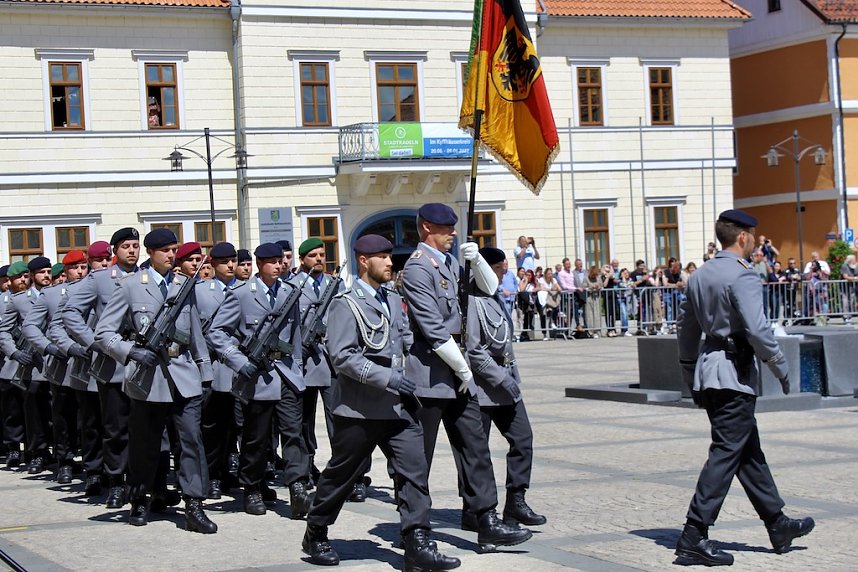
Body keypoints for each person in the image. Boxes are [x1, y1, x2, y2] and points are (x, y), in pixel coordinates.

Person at [302, 234, 461, 571]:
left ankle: (417, 540)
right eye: (383, 257)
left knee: (414, 471)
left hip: (399, 406)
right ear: (364, 260)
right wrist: (388, 377)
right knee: (341, 476)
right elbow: (342, 357)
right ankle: (316, 530)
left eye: (391, 256)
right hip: (360, 410)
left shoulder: (391, 298)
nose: (391, 263)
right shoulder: (346, 303)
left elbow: (402, 341)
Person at [675, 209, 814, 566]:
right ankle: (694, 533)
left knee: (746, 452)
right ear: (742, 237)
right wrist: (781, 368)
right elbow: (757, 329)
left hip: (710, 372)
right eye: (753, 234)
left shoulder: (700, 275)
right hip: (733, 375)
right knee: (726, 452)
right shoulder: (743, 276)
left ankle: (777, 523)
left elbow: (687, 330)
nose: (754, 240)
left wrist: (690, 369)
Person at [401, 203, 531, 551]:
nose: (454, 233)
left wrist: (476, 262)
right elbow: (432, 328)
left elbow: (488, 289)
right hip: (429, 377)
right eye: (446, 228)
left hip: (458, 376)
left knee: (475, 447)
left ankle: (485, 518)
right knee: (418, 458)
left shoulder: (449, 263)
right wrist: (462, 368)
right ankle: (415, 528)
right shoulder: (417, 269)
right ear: (427, 227)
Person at [95, 228, 216, 533]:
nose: (171, 255)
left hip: (184, 376)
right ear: (151, 253)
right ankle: (139, 499)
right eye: (165, 250)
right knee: (145, 445)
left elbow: (196, 335)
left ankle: (194, 505)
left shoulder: (183, 285)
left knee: (191, 442)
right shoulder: (130, 286)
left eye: (174, 249)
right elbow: (104, 333)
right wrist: (131, 352)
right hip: (147, 380)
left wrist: (205, 373)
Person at [207, 243, 304, 517]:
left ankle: (297, 485)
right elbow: (217, 332)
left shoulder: (289, 293)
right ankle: (252, 487)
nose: (278, 265)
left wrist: (297, 368)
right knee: (256, 437)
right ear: (260, 264)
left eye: (280, 261)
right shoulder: (241, 295)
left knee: (293, 432)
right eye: (272, 261)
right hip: (256, 375)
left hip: (285, 373)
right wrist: (238, 361)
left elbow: (295, 334)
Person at [465, 247, 547, 527]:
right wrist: (501, 378)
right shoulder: (471, 301)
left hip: (507, 384)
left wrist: (509, 379)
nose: (504, 273)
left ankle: (516, 500)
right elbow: (473, 350)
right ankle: (475, 510)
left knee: (523, 439)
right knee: (477, 454)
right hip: (482, 389)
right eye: (500, 268)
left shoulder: (495, 298)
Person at [63, 227, 141, 509]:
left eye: (135, 245)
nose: (132, 251)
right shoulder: (99, 280)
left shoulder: (147, 278)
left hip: (144, 366)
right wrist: (93, 342)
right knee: (115, 429)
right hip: (113, 365)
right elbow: (70, 313)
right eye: (126, 246)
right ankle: (116, 483)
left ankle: (142, 484)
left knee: (145, 429)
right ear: (114, 251)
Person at [288, 238, 349, 506]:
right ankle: (306, 469)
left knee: (339, 419)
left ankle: (345, 474)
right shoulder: (292, 286)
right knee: (303, 423)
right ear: (302, 260)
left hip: (332, 361)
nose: (319, 259)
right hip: (305, 363)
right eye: (313, 255)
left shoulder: (335, 284)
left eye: (322, 254)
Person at [21, 250, 90, 484]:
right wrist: (47, 347)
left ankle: (93, 465)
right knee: (63, 416)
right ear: (66, 270)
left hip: (91, 364)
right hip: (63, 365)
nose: (80, 272)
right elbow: (30, 326)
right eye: (74, 268)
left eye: (83, 266)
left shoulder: (97, 289)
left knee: (90, 419)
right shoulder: (51, 295)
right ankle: (66, 461)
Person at [0, 256, 55, 475]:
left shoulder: (59, 295)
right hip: (28, 364)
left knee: (54, 411)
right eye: (41, 272)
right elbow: (4, 330)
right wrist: (14, 352)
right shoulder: (18, 300)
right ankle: (33, 451)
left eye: (49, 271)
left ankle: (57, 452)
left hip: (54, 362)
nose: (47, 276)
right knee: (27, 409)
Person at [195, 242, 239, 500]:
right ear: (213, 265)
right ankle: (211, 475)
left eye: (233, 260)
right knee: (212, 425)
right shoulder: (201, 291)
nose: (231, 265)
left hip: (239, 366)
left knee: (237, 425)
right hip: (213, 366)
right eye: (224, 262)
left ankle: (231, 471)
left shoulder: (245, 290)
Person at [0, 262, 30, 468]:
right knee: (11, 409)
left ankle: (32, 447)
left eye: (25, 276)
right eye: (18, 277)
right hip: (8, 363)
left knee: (31, 409)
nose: (22, 280)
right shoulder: (3, 301)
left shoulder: (36, 298)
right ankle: (12, 447)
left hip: (30, 364)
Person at [517, 269, 539, 342]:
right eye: (527, 275)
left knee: (530, 319)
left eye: (530, 275)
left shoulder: (534, 283)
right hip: (524, 305)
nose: (528, 277)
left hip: (532, 304)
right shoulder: (522, 282)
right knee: (524, 320)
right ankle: (524, 335)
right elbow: (522, 289)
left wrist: (535, 289)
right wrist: (525, 281)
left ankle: (527, 334)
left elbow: (539, 287)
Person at [839, 254, 858, 324]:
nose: (855, 261)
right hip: (844, 288)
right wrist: (854, 278)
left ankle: (850, 317)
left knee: (851, 302)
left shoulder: (855, 266)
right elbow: (845, 276)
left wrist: (855, 278)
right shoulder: (844, 266)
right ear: (850, 260)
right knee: (845, 303)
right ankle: (845, 317)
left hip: (852, 287)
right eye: (854, 260)